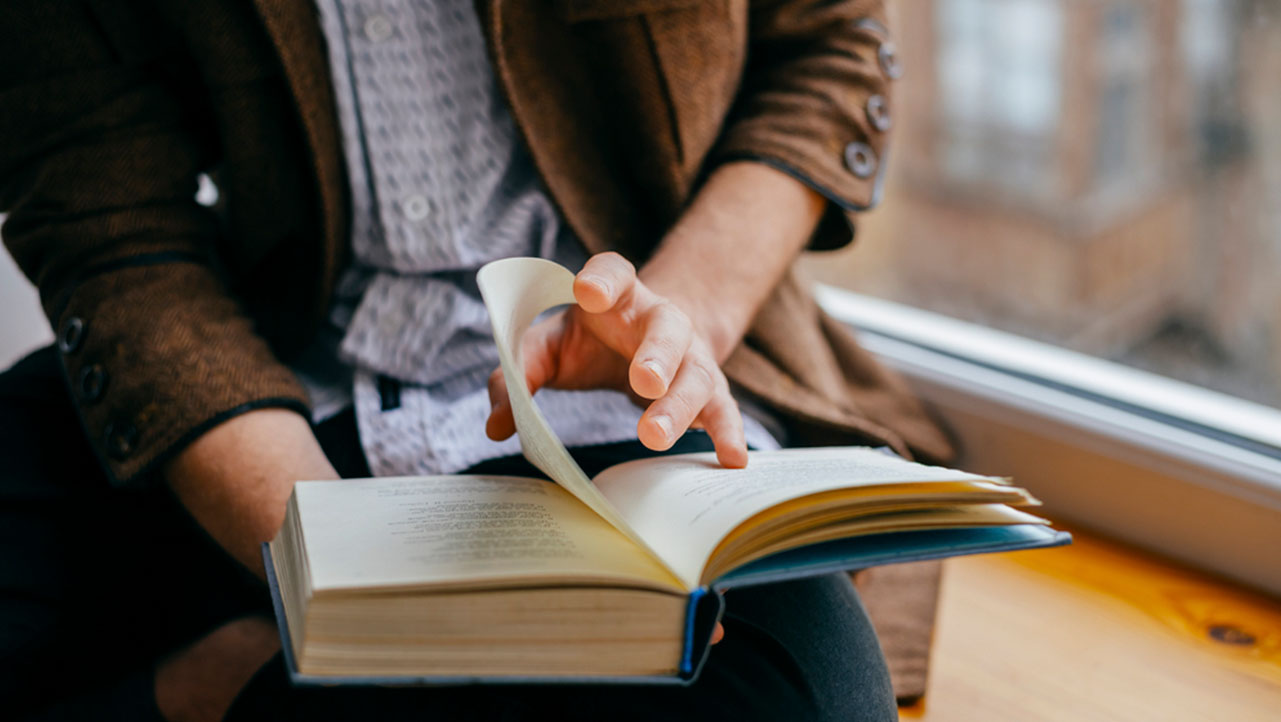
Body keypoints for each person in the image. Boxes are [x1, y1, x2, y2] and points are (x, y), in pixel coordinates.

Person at [0, 1, 953, 720]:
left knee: (785, 691)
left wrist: (683, 317)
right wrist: (329, 577)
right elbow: (109, 219)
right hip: (272, 384)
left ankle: (231, 674)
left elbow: (827, 46)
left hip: (626, 398)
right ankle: (242, 670)